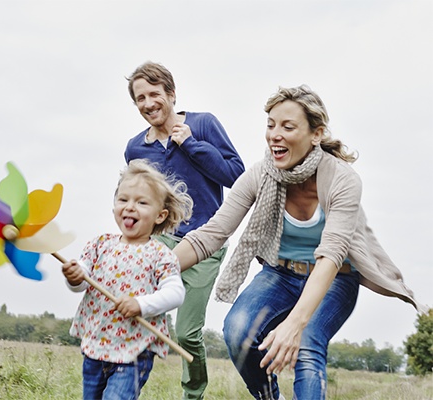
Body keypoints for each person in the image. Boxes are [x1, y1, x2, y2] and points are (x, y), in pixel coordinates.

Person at [172, 85, 425, 399]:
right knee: (238, 331)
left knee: (307, 343)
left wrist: (296, 323)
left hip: (335, 278)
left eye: (287, 127)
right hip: (280, 274)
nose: (275, 135)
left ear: (315, 134)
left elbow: (332, 254)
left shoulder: (342, 180)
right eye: (271, 125)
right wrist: (153, 268)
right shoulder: (260, 175)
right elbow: (213, 233)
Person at [125, 61, 245, 399]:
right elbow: (137, 198)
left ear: (171, 94)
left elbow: (236, 175)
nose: (147, 103)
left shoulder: (203, 124)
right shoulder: (136, 148)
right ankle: (124, 389)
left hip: (206, 243)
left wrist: (192, 144)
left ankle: (193, 395)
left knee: (187, 333)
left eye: (154, 94)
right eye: (140, 98)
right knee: (140, 318)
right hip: (159, 242)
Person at [62, 159, 193, 400]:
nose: (130, 207)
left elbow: (176, 293)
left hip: (134, 351)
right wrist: (74, 275)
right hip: (96, 344)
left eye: (142, 202)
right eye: (123, 200)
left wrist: (141, 304)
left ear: (160, 215)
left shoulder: (160, 255)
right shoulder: (100, 245)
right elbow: (81, 280)